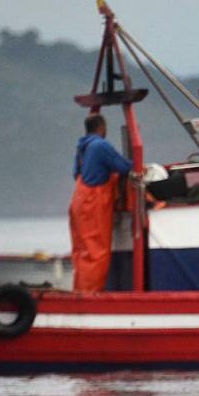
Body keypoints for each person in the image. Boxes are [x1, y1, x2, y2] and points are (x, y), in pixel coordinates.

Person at [69, 113, 133, 292]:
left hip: (78, 201)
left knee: (82, 251)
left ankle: (80, 292)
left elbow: (76, 174)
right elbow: (124, 166)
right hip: (93, 202)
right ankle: (91, 296)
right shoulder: (101, 145)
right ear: (102, 127)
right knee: (97, 252)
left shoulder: (82, 147)